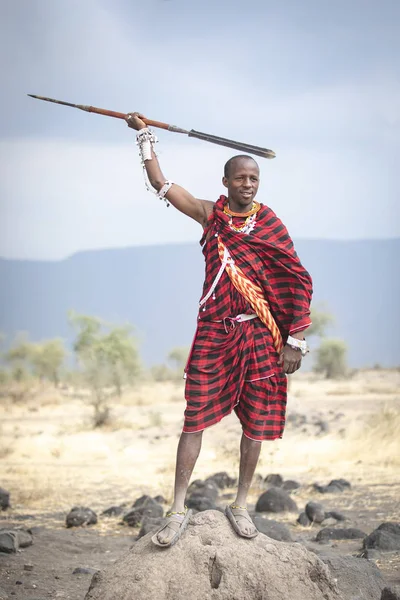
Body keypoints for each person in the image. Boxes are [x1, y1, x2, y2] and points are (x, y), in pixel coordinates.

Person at [126, 112, 313, 547]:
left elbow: (296, 280)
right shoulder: (211, 216)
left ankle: (241, 506)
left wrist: (295, 340)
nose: (248, 184)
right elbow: (162, 184)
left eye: (254, 178)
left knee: (256, 422)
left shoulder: (269, 225)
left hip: (261, 335)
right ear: (226, 180)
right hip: (216, 331)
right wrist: (145, 137)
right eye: (241, 177)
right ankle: (176, 509)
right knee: (194, 419)